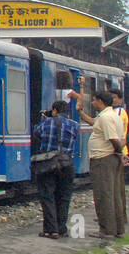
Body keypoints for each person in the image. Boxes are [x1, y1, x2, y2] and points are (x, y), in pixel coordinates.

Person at [31, 100, 79, 238]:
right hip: (67, 163)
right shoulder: (74, 125)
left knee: (47, 195)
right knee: (64, 197)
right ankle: (62, 228)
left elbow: (37, 133)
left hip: (49, 163)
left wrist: (46, 119)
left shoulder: (46, 123)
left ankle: (51, 230)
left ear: (55, 110)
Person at [87, 90, 126, 238]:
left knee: (104, 194)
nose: (92, 103)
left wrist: (119, 152)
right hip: (110, 158)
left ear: (100, 101)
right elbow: (122, 139)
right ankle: (118, 229)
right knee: (114, 194)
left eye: (94, 100)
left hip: (104, 159)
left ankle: (107, 230)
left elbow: (113, 139)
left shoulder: (106, 118)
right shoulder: (114, 116)